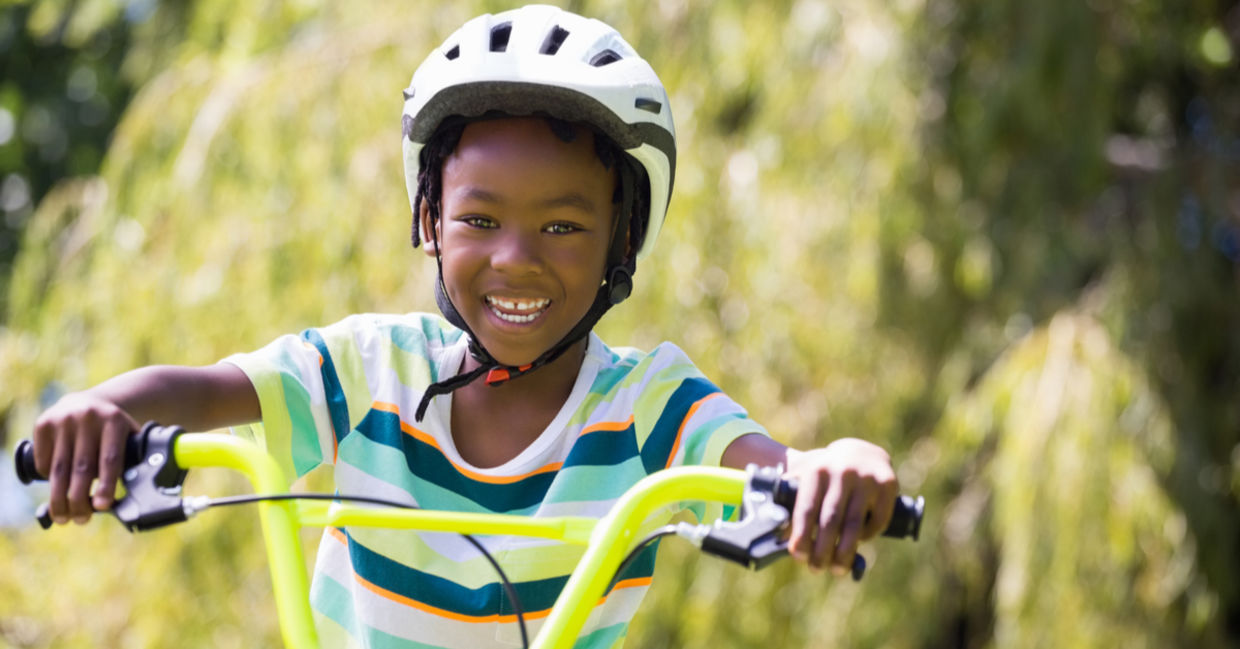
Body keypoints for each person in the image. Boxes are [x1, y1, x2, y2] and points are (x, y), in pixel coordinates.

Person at [29, 5, 899, 648]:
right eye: (479, 221)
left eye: (561, 226)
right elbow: (204, 388)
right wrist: (103, 412)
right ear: (429, 221)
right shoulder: (372, 370)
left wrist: (840, 467)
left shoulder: (647, 403)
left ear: (622, 240)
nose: (515, 259)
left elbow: (772, 465)